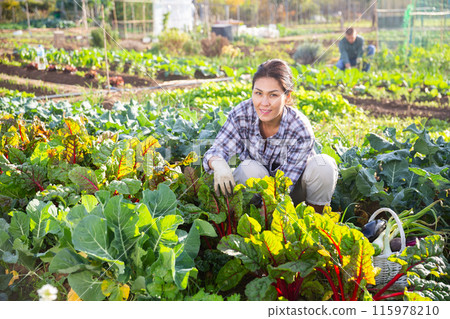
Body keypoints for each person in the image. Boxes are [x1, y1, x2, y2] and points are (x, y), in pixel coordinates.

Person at [203, 59, 338, 213]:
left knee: (324, 165)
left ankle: (314, 221)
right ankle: (241, 217)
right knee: (250, 168)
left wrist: (269, 217)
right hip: (256, 191)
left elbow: (284, 186)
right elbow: (216, 151)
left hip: (294, 195)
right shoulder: (242, 114)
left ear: (287, 97)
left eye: (273, 95)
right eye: (258, 93)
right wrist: (218, 163)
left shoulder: (300, 128)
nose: (264, 103)